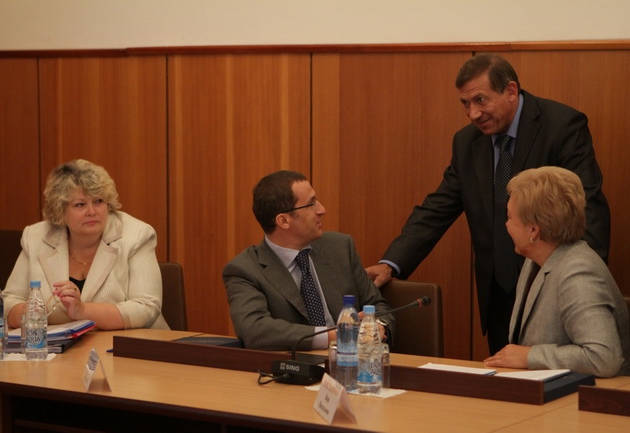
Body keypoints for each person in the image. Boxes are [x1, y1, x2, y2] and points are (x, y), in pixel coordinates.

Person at [366, 53, 610, 355]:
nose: (473, 113)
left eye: (480, 100)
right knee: (505, 370)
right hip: (499, 292)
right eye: (465, 103)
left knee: (556, 372)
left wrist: (583, 279)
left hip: (552, 287)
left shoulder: (561, 126)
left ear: (511, 91)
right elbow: (438, 208)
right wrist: (391, 264)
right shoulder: (466, 142)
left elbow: (587, 207)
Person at [223, 170, 394, 351]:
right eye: (311, 204)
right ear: (284, 220)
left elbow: (378, 307)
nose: (322, 210)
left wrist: (378, 327)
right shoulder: (245, 270)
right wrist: (337, 335)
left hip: (354, 361)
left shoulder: (340, 248)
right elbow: (254, 330)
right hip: (295, 363)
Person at [484, 167, 628, 377]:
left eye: (509, 217)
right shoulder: (534, 259)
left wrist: (531, 356)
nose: (506, 225)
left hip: (591, 394)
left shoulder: (578, 272)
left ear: (533, 230)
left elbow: (603, 358)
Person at [3, 159, 169, 330]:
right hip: (56, 345)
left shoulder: (137, 235)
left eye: (98, 201)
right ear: (60, 210)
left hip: (127, 343)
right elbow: (9, 303)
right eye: (80, 204)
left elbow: (146, 308)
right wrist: (33, 313)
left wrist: (83, 310)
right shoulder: (36, 237)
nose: (92, 211)